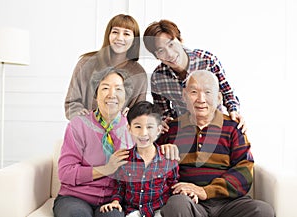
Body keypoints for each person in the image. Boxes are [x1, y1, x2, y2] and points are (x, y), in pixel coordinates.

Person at [156, 70, 275, 217]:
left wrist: (206, 191)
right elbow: (154, 169)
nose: (201, 99)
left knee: (263, 210)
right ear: (184, 96)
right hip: (189, 202)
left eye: (207, 92)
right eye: (194, 92)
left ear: (219, 98)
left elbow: (244, 170)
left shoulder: (233, 127)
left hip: (228, 202)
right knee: (176, 205)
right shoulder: (171, 129)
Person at [53, 68, 135, 217]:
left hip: (113, 200)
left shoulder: (133, 128)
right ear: (96, 95)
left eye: (118, 89)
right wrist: (106, 169)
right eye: (105, 88)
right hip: (75, 197)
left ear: (125, 97)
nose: (112, 94)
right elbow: (65, 173)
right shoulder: (79, 125)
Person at [143, 19, 246, 133]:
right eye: (161, 50)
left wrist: (234, 111)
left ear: (181, 40)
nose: (170, 54)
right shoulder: (158, 78)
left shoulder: (208, 61)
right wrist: (163, 121)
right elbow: (163, 111)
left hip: (215, 127)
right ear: (156, 56)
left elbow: (227, 93)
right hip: (184, 131)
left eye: (171, 44)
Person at [100, 101, 180, 217]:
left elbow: (173, 185)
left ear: (158, 130)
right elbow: (120, 187)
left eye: (149, 127)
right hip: (133, 211)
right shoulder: (124, 159)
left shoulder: (168, 160)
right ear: (129, 128)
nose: (143, 133)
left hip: (159, 210)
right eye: (138, 127)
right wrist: (115, 201)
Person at [65, 14, 148, 120]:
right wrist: (79, 116)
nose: (120, 38)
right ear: (108, 35)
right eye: (115, 32)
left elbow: (138, 112)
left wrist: (130, 116)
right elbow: (71, 102)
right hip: (86, 128)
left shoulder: (138, 73)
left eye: (126, 34)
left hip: (120, 132)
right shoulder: (86, 63)